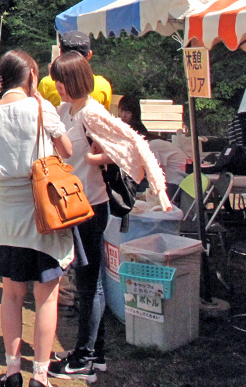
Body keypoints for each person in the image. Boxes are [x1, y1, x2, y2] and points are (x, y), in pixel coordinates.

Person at [48, 52, 170, 383]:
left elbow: (129, 151)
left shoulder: (92, 112)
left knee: (90, 283)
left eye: (59, 80)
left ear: (72, 80)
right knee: (85, 280)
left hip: (92, 206)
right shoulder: (66, 109)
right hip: (72, 205)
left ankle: (86, 356)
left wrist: (93, 157)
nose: (56, 85)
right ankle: (94, 353)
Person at [0, 50, 73, 387]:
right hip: (41, 212)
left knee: (11, 294)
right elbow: (67, 150)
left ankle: (13, 370)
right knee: (46, 296)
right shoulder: (41, 107)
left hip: (5, 216)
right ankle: (41, 376)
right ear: (31, 74)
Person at [119, 95, 188, 200]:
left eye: (128, 112)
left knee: (128, 185)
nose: (123, 116)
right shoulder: (143, 139)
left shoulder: (152, 146)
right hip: (169, 183)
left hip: (174, 186)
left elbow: (150, 173)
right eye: (121, 111)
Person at [37, 31, 112, 111]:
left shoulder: (46, 83)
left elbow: (39, 114)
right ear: (89, 54)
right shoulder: (103, 85)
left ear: (60, 53)